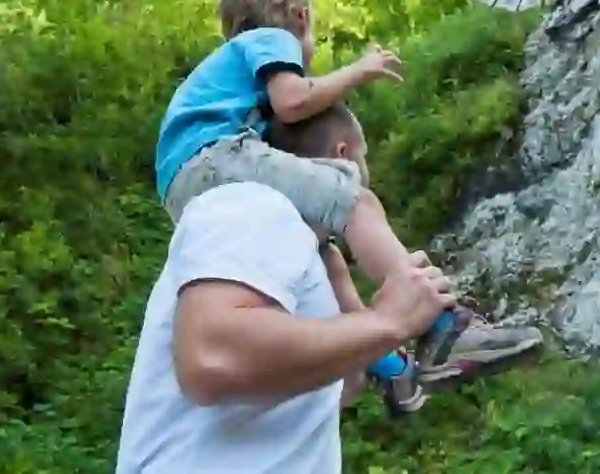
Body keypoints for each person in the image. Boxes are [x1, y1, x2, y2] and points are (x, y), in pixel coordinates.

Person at [153, 0, 540, 409]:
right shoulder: (271, 39)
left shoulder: (234, 79)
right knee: (354, 199)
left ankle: (390, 368)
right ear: (299, 17)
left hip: (187, 180)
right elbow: (294, 101)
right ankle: (443, 326)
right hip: (211, 156)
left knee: (326, 254)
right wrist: (360, 70)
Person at [114, 180, 454, 474]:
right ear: (341, 157)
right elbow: (213, 356)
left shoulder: (297, 256)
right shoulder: (253, 203)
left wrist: (357, 313)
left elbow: (345, 386)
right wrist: (389, 320)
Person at [264, 101, 545, 415]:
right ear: (341, 154)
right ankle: (444, 327)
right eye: (364, 156)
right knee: (359, 209)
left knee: (339, 280)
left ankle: (395, 371)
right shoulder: (322, 204)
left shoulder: (301, 239)